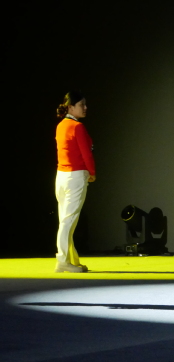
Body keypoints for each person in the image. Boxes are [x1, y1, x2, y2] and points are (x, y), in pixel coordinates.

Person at [54, 91, 96, 273]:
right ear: (71, 107)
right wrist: (92, 172)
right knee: (68, 221)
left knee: (66, 220)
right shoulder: (77, 127)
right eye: (81, 105)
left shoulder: (61, 126)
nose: (85, 108)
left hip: (61, 176)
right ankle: (63, 260)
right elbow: (86, 153)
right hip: (76, 175)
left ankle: (70, 259)